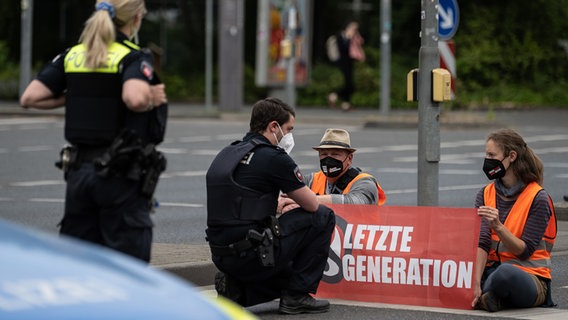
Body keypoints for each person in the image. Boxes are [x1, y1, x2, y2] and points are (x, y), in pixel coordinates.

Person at [20, 0, 168, 263]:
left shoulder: (74, 54)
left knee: (81, 264)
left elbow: (30, 97)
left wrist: (74, 95)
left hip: (79, 174)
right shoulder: (133, 55)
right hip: (119, 174)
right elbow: (134, 98)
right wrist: (150, 97)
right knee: (126, 266)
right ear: (135, 19)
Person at [205, 97, 335, 314]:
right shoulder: (274, 157)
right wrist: (289, 204)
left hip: (222, 255)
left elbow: (240, 200)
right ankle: (297, 296)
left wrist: (277, 206)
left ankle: (236, 290)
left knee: (281, 256)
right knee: (322, 217)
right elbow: (312, 204)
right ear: (273, 126)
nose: (290, 135)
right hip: (253, 254)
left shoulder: (229, 152)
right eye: (288, 129)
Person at [472, 128, 557, 312]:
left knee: (504, 275)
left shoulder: (537, 197)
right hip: (492, 270)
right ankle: (489, 296)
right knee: (477, 275)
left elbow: (524, 251)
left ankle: (492, 294)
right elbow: (482, 242)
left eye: (491, 155)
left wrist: (499, 226)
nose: (487, 160)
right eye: (486, 154)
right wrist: (475, 282)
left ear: (511, 156)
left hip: (529, 276)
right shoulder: (485, 194)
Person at [280, 128, 385, 212]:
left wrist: (308, 201)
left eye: (335, 154)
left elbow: (355, 203)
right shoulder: (312, 180)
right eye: (324, 154)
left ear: (349, 158)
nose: (328, 159)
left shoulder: (365, 182)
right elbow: (283, 196)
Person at [327, 20, 365, 112]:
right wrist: (348, 38)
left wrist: (354, 36)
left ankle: (345, 104)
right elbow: (343, 50)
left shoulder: (354, 36)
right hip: (342, 62)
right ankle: (334, 95)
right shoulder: (340, 36)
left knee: (350, 84)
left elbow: (360, 42)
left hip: (350, 62)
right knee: (348, 83)